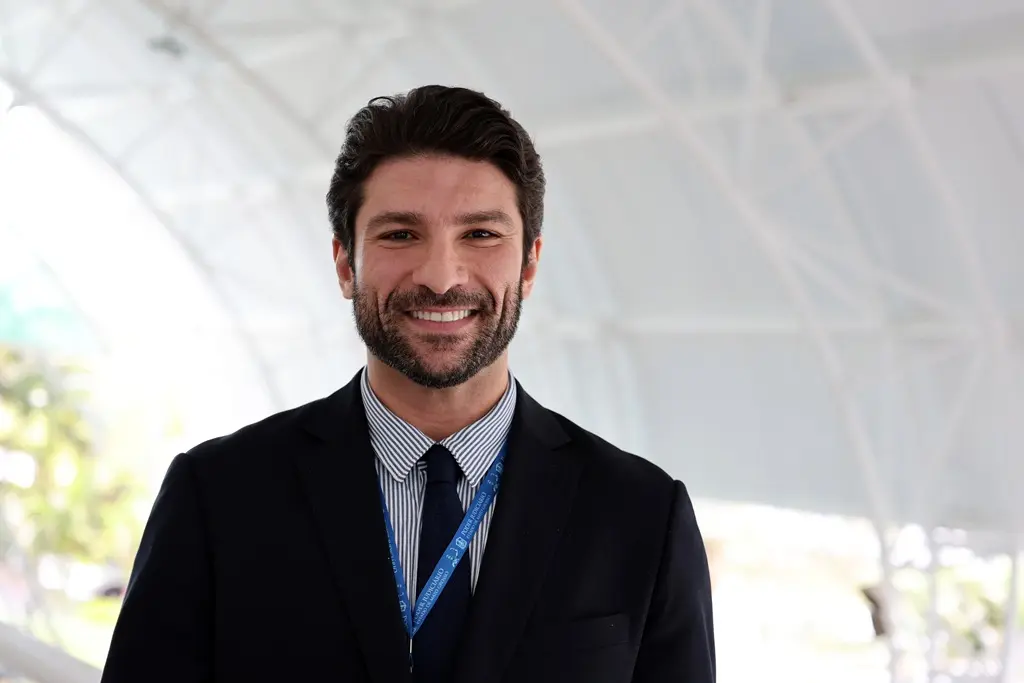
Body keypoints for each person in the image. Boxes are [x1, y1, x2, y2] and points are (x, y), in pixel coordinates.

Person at [100, 85, 715, 683]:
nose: (442, 278)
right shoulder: (219, 497)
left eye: (480, 234)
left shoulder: (640, 515)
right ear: (345, 263)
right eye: (400, 234)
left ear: (528, 264)